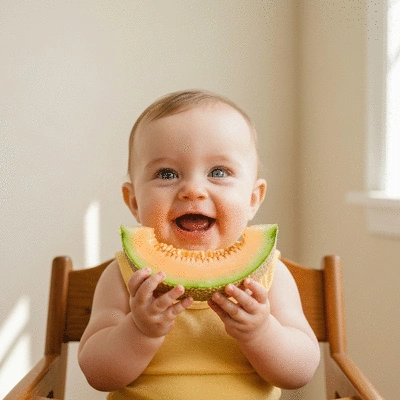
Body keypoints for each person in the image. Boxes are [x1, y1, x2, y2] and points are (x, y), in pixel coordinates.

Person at [78, 90, 320, 399]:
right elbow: (97, 374)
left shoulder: (269, 274)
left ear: (252, 199)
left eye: (218, 172)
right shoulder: (125, 276)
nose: (192, 190)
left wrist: (261, 332)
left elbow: (300, 372)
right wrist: (139, 331)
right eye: (167, 173)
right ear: (134, 201)